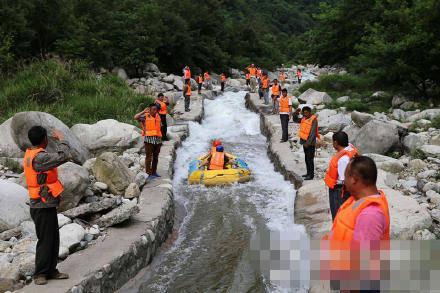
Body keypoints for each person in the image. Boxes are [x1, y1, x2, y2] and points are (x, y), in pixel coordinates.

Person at [323, 156, 390, 292]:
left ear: (354, 179)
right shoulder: (358, 200)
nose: (344, 182)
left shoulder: (370, 215)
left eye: (345, 177)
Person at [24, 126, 71, 285]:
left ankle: (51, 270)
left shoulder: (31, 153)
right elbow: (63, 156)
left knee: (53, 238)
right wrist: (62, 140)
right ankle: (40, 274)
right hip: (41, 205)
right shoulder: (40, 158)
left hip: (45, 203)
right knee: (45, 239)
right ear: (44, 139)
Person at [324, 132, 360, 220]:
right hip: (344, 189)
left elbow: (344, 180)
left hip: (339, 190)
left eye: (333, 142)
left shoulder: (343, 159)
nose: (332, 144)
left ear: (336, 143)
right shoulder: (350, 148)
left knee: (338, 214)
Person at [134, 104, 162, 177]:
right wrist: (143, 111)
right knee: (149, 157)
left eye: (156, 109)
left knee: (156, 157)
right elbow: (135, 117)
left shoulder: (158, 116)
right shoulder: (145, 116)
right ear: (149, 110)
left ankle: (154, 172)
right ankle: (148, 173)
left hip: (158, 140)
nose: (155, 111)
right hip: (149, 140)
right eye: (153, 109)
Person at [292, 106, 319, 180]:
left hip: (310, 143)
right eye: (304, 113)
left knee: (310, 159)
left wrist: (308, 143)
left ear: (310, 112)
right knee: (306, 159)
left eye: (307, 113)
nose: (305, 114)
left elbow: (313, 133)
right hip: (304, 142)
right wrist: (296, 113)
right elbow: (295, 120)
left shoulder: (313, 120)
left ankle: (311, 175)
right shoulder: (303, 119)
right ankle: (308, 173)